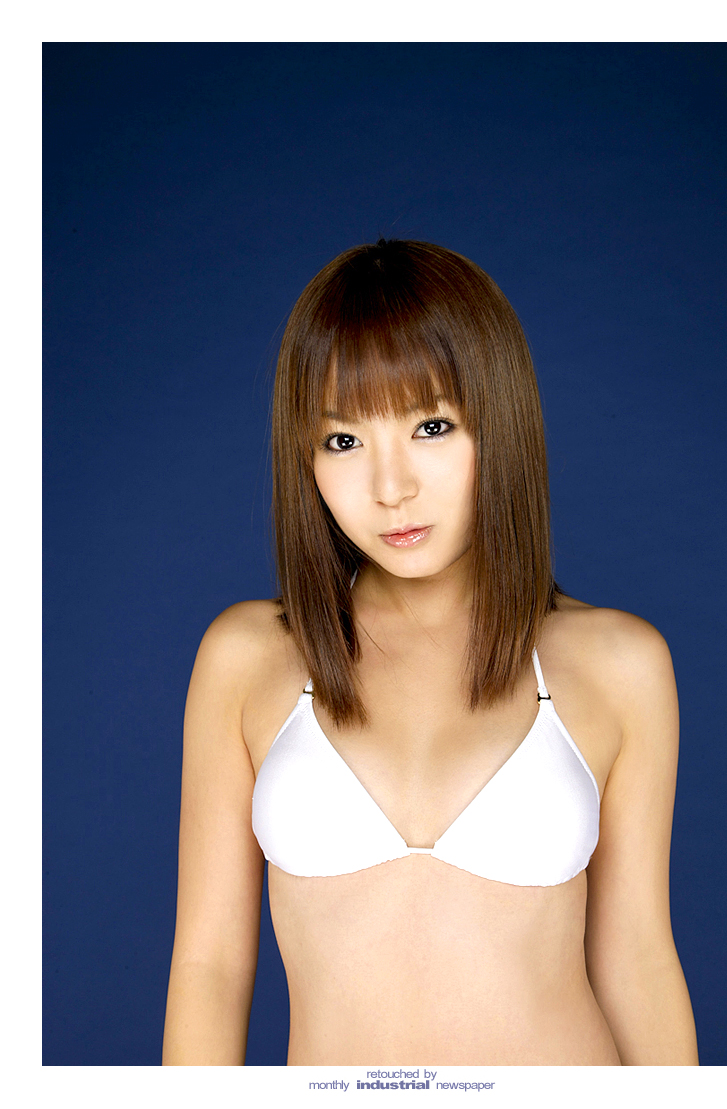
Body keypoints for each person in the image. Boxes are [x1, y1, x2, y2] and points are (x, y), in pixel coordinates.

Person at [162, 238, 698, 1065]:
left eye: (432, 426)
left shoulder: (619, 665)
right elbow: (209, 968)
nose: (391, 487)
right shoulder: (248, 660)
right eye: (343, 441)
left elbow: (639, 959)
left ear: (500, 423)